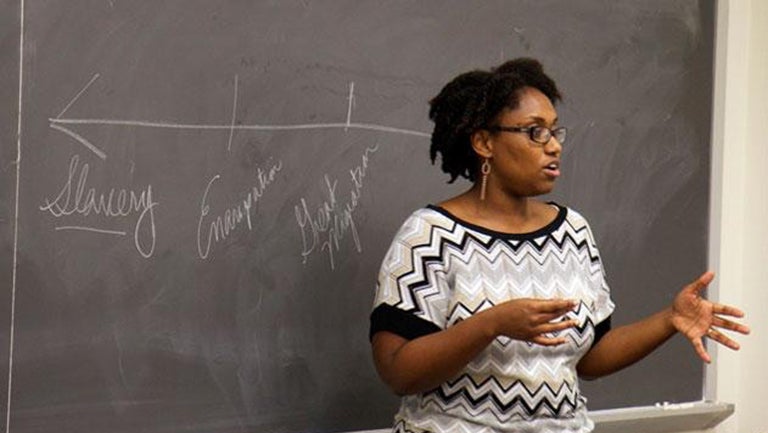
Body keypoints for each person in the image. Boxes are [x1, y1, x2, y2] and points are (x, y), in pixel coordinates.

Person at [369, 58, 750, 433]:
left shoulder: (572, 230)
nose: (553, 147)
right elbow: (398, 371)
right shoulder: (430, 235)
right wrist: (491, 324)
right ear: (484, 142)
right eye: (535, 132)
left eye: (555, 131)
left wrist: (669, 320)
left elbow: (589, 358)